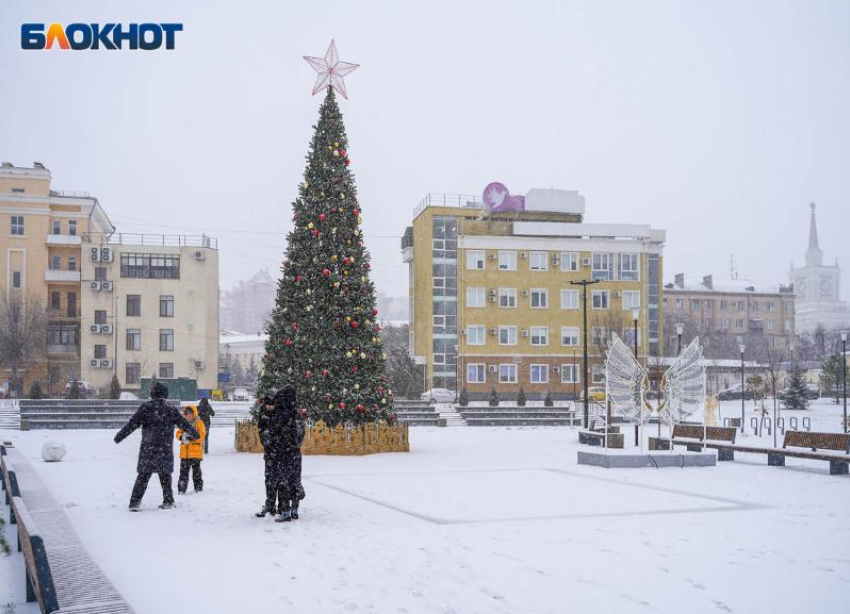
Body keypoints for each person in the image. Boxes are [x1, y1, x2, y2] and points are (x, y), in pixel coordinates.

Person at [114, 382, 199, 511]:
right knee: (165, 477)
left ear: (152, 393)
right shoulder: (170, 408)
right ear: (165, 393)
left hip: (148, 449)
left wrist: (119, 437)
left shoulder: (145, 407)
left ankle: (134, 504)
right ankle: (168, 501)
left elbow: (132, 424)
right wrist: (195, 434)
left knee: (143, 477)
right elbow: (183, 424)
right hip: (164, 449)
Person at [272, 386, 305, 523]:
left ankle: (285, 511)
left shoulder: (281, 414)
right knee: (295, 480)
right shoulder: (296, 414)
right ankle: (295, 509)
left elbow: (276, 433)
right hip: (295, 453)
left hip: (284, 452)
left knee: (284, 482)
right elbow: (301, 434)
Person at [255, 393, 281, 517]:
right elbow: (260, 429)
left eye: (272, 405)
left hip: (280, 451)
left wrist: (276, 440)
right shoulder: (263, 413)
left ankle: (282, 505)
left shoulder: (280, 412)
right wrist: (266, 442)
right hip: (269, 451)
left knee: (280, 479)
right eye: (268, 405)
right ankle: (270, 503)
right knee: (269, 479)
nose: (270, 407)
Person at [176, 404, 207, 494]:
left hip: (195, 453)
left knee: (196, 473)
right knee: (183, 473)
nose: (188, 415)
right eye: (186, 414)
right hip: (184, 453)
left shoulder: (199, 422)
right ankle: (181, 489)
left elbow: (202, 434)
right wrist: (181, 437)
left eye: (190, 413)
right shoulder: (183, 423)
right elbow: (178, 433)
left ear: (194, 413)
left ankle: (198, 488)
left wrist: (193, 438)